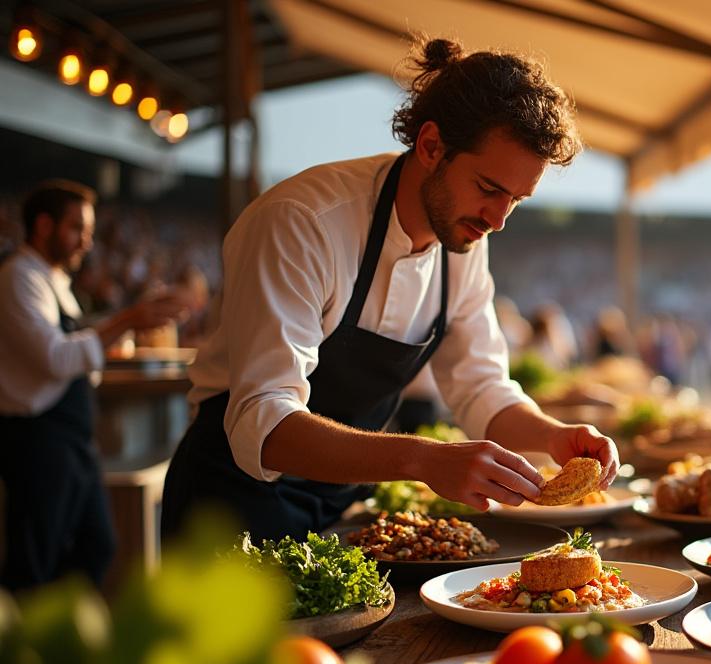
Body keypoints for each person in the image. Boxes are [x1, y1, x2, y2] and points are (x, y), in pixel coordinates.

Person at [161, 37, 618, 543]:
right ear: (430, 146)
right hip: (230, 508)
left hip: (339, 507)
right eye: (489, 188)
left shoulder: (463, 236)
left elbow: (481, 387)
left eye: (517, 199)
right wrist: (423, 459)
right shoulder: (302, 222)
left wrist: (554, 437)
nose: (499, 220)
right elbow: (263, 421)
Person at [0, 180, 187, 590]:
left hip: (73, 442)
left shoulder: (54, 281)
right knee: (33, 561)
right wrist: (127, 320)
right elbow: (55, 358)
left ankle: (62, 632)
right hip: (37, 439)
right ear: (44, 226)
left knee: (97, 546)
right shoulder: (19, 276)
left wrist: (116, 329)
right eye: (76, 228)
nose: (86, 241)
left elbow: (75, 343)